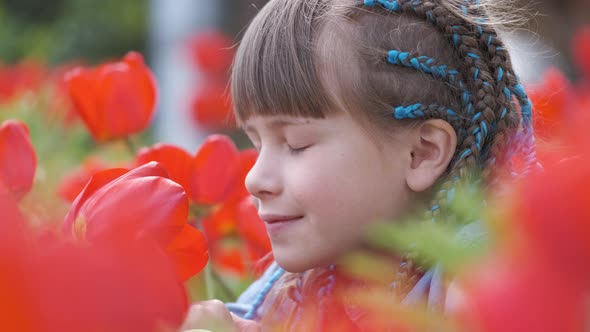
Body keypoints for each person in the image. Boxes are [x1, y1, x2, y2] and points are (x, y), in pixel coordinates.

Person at [181, 0, 538, 330]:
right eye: (256, 143)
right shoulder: (283, 294)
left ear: (423, 153)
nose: (255, 178)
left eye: (296, 144)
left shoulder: (481, 287)